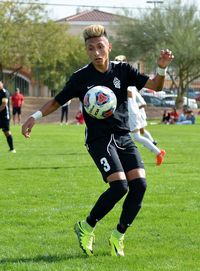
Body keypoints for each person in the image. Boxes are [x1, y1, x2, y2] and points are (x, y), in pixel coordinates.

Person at [22, 25, 174, 257]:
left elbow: (155, 85)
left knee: (140, 185)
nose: (96, 52)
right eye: (91, 48)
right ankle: (87, 226)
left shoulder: (123, 70)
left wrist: (161, 68)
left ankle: (118, 236)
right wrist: (33, 117)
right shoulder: (81, 78)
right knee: (120, 186)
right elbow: (56, 100)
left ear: (109, 47)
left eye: (100, 47)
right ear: (87, 51)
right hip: (98, 139)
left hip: (123, 136)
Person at [114, 56, 165, 165]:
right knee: (122, 135)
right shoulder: (123, 79)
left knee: (136, 137)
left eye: (119, 62)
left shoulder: (125, 79)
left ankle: (158, 152)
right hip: (128, 113)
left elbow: (128, 95)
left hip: (130, 113)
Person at [0, 81, 16, 153]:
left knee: (6, 132)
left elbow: (3, 105)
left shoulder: (5, 92)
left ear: (2, 84)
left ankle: (12, 149)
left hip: (4, 116)